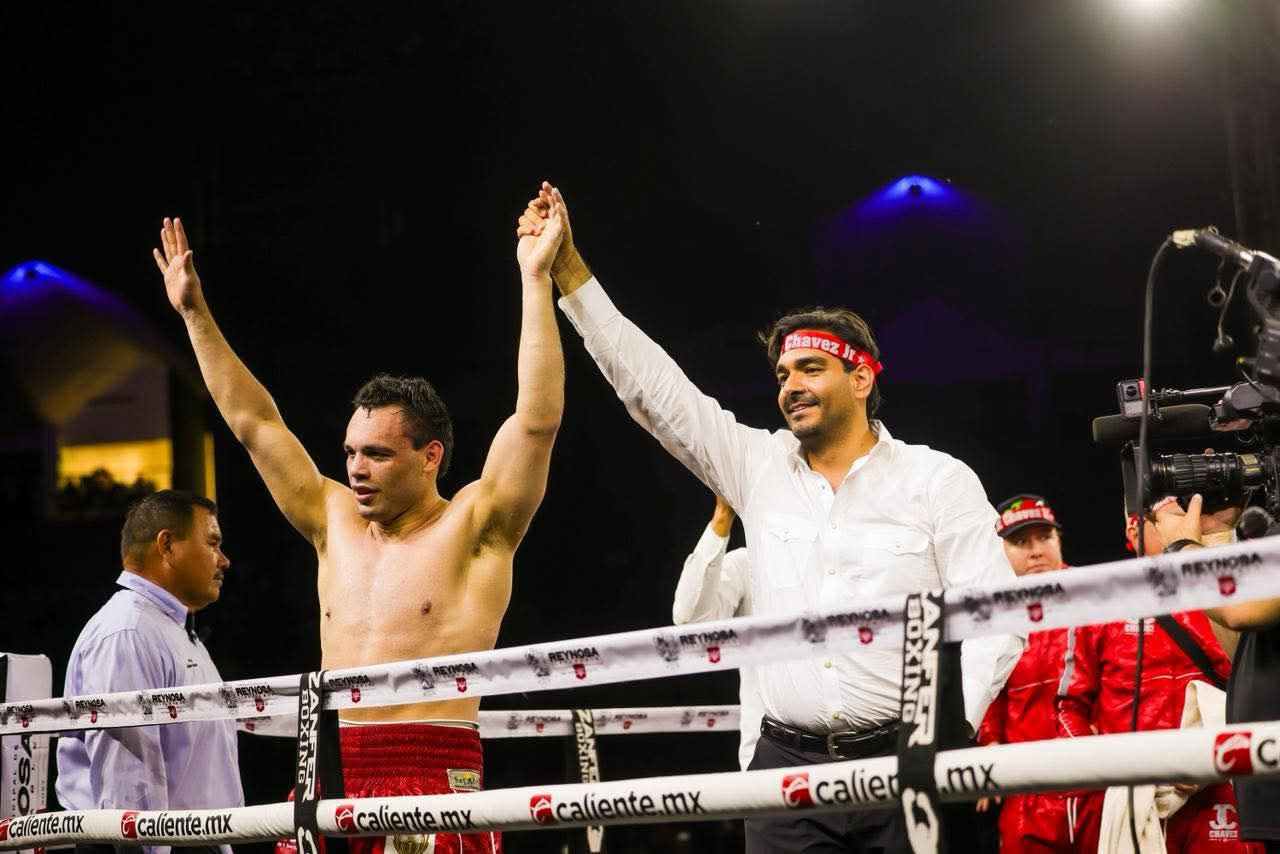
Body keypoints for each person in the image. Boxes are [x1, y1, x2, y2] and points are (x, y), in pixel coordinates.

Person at [518, 184, 1023, 852]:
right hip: (786, 776)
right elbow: (654, 392)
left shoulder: (938, 479)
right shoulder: (757, 467)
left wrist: (944, 731)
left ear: (863, 378)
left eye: (811, 368)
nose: (790, 385)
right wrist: (570, 273)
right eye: (783, 373)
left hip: (910, 767)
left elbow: (999, 619)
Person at [151, 196, 566, 854]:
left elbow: (536, 422)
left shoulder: (475, 527)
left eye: (376, 453)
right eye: (350, 452)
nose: (356, 468)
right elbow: (255, 425)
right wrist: (195, 314)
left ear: (429, 457)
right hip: (333, 772)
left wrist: (535, 279)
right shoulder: (332, 518)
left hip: (435, 777)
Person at [1056, 495, 1258, 852]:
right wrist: (1116, 769)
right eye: (1166, 519)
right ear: (1134, 528)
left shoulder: (1224, 597)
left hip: (1216, 789)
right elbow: (1069, 709)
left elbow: (1249, 690)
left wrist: (1210, 760)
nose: (1183, 524)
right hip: (1131, 797)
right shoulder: (1099, 604)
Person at [56, 490, 241, 854]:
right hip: (151, 844)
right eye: (213, 543)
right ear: (167, 545)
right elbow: (126, 775)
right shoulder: (129, 630)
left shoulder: (171, 628)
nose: (224, 560)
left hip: (190, 839)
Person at [1162, 502, 1280, 850]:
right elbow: (1241, 641)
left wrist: (1180, 547)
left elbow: (1239, 610)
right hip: (1266, 782)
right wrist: (1214, 538)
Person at [975, 494, 1087, 852]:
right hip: (1025, 785)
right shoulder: (993, 612)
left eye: (1044, 538)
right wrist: (989, 744)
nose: (1036, 551)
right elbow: (988, 688)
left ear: (1059, 540)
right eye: (1021, 542)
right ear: (1001, 552)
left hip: (1095, 776)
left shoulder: (1098, 595)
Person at [672, 494, 760, 771]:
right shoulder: (749, 565)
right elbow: (690, 623)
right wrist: (723, 514)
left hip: (873, 756)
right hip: (769, 759)